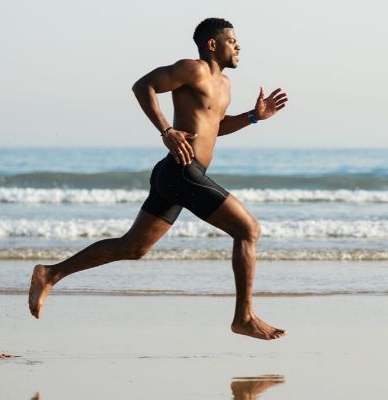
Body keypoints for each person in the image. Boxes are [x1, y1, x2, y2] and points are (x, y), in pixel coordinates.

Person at [28, 17, 288, 340]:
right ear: (212, 44)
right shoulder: (193, 69)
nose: (238, 46)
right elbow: (143, 86)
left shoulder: (225, 86)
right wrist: (166, 130)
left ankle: (50, 274)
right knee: (248, 229)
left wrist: (252, 117)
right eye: (232, 40)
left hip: (179, 174)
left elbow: (215, 127)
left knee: (133, 247)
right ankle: (244, 316)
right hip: (182, 170)